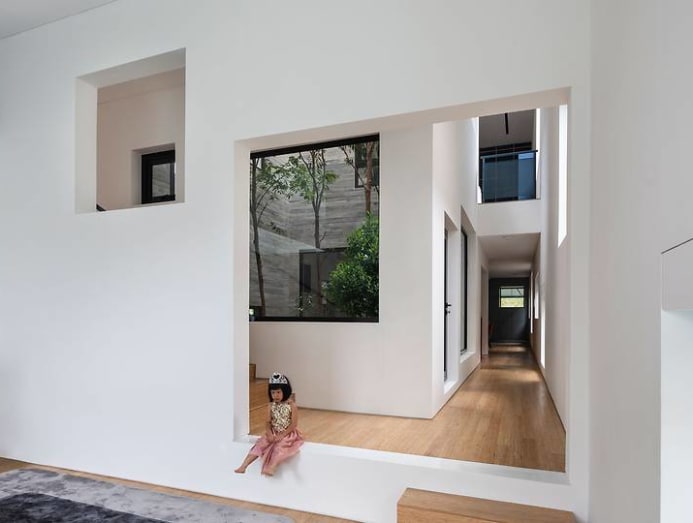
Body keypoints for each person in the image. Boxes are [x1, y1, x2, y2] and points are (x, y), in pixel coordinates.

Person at [234, 372, 303, 476]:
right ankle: (244, 465)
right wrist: (270, 433)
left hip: (287, 433)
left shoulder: (291, 405)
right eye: (273, 392)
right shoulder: (271, 405)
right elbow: (268, 422)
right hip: (274, 431)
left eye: (278, 392)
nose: (275, 395)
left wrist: (282, 435)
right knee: (260, 444)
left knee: (280, 446)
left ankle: (271, 467)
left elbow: (293, 424)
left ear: (285, 391)